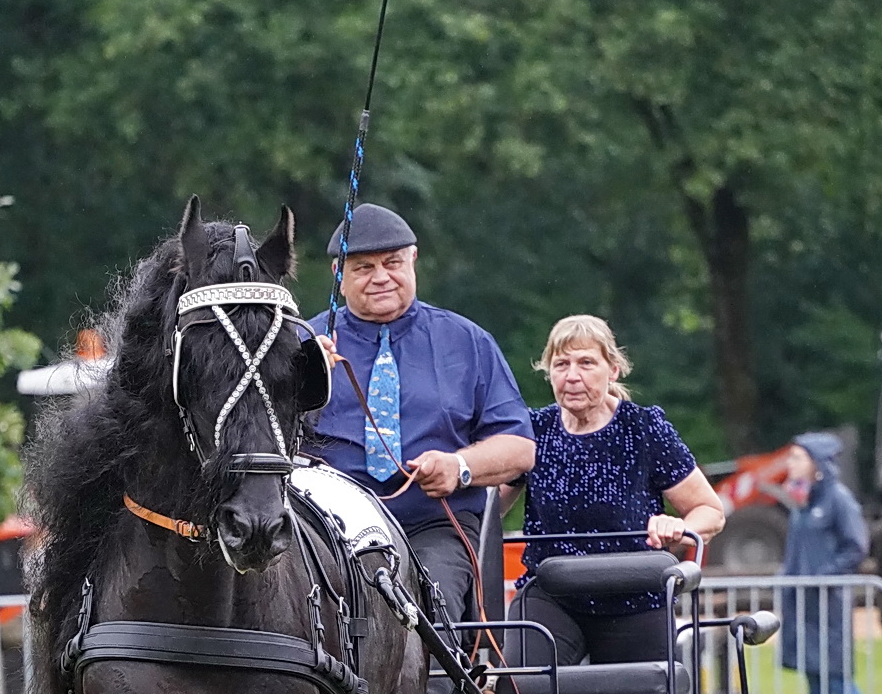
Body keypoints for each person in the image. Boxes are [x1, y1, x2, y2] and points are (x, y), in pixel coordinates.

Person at [307, 203, 535, 622]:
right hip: (325, 528)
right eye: (363, 268)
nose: (381, 277)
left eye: (392, 263)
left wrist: (459, 466)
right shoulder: (300, 344)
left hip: (433, 525)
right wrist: (299, 380)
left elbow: (519, 447)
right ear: (338, 275)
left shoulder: (467, 341)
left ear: (413, 259)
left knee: (431, 612)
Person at [509, 315, 725, 664]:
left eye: (586, 363)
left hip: (634, 597)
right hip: (552, 594)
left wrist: (677, 527)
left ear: (613, 370)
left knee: (643, 693)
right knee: (522, 686)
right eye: (561, 365)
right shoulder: (533, 431)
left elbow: (710, 512)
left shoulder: (643, 428)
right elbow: (485, 510)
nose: (572, 376)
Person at [780, 433, 870, 694]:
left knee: (838, 678)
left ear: (815, 463)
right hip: (803, 606)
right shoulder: (802, 502)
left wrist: (823, 576)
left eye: (797, 457)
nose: (790, 463)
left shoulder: (838, 499)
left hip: (829, 605)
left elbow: (856, 547)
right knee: (814, 679)